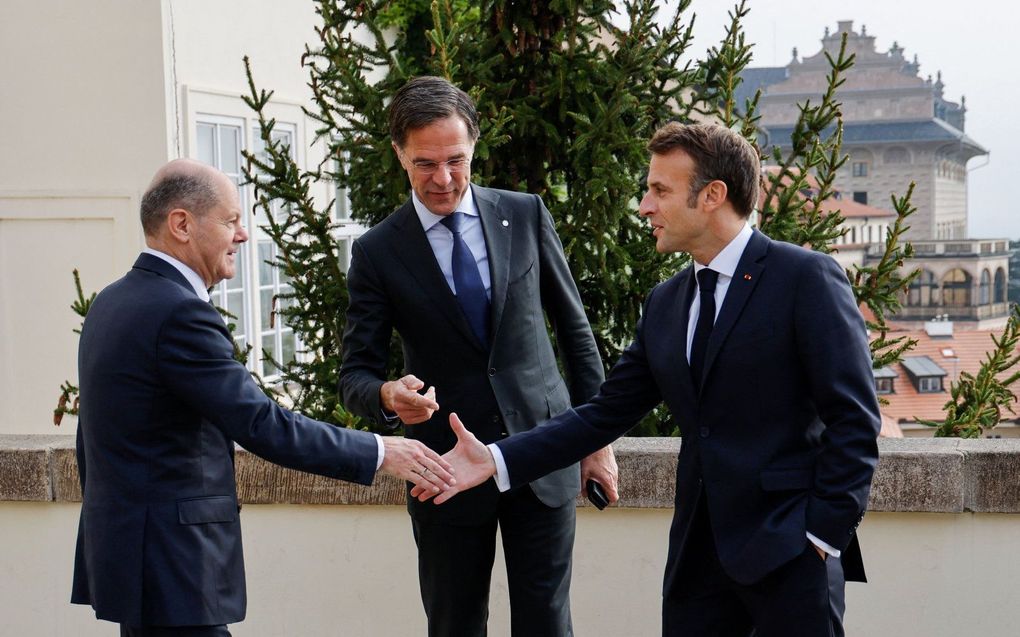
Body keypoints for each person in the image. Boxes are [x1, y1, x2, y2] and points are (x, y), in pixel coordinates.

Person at [428, 122, 882, 637]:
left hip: (791, 555)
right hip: (695, 564)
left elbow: (855, 422)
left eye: (659, 190)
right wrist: (494, 460)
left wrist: (822, 538)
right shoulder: (666, 303)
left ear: (713, 195)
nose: (645, 205)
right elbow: (603, 414)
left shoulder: (806, 278)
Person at [71, 159, 454, 637]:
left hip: (132, 561)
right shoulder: (178, 313)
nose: (243, 235)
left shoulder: (111, 301)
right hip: (176, 568)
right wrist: (380, 451)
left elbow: (92, 440)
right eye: (231, 220)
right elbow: (261, 424)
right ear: (182, 225)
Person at [337, 75, 615, 636]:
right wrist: (389, 397)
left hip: (542, 454)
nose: (443, 179)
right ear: (399, 155)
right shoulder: (376, 252)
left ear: (474, 147)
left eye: (455, 160)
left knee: (548, 623)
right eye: (425, 164)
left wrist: (597, 443)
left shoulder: (527, 214)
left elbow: (575, 332)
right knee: (455, 624)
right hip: (443, 471)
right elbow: (355, 375)